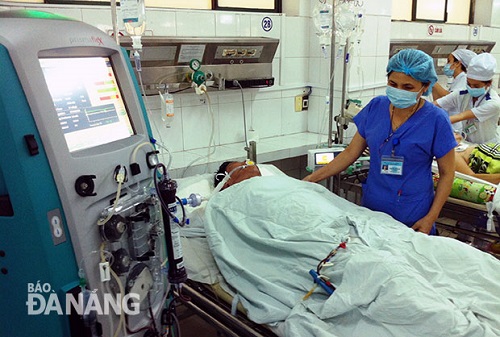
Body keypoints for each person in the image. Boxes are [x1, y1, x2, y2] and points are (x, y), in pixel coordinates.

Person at [303, 49, 457, 235]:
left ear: (425, 87)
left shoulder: (436, 120)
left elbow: (447, 173)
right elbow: (350, 153)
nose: (398, 91)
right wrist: (312, 180)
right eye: (393, 83)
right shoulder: (376, 107)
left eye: (408, 87)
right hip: (373, 208)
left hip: (413, 213)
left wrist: (430, 218)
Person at [435, 52, 500, 144]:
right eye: (468, 84)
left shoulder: (493, 102)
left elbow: (461, 116)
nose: (471, 88)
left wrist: (434, 122)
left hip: (488, 147)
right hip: (467, 143)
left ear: (488, 84)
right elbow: (436, 104)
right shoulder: (462, 94)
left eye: (476, 86)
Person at [432, 49, 477, 132]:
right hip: (452, 124)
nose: (447, 65)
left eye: (449, 61)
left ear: (457, 63)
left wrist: (433, 82)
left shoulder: (464, 79)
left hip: (456, 126)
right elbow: (441, 101)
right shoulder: (457, 80)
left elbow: (449, 98)